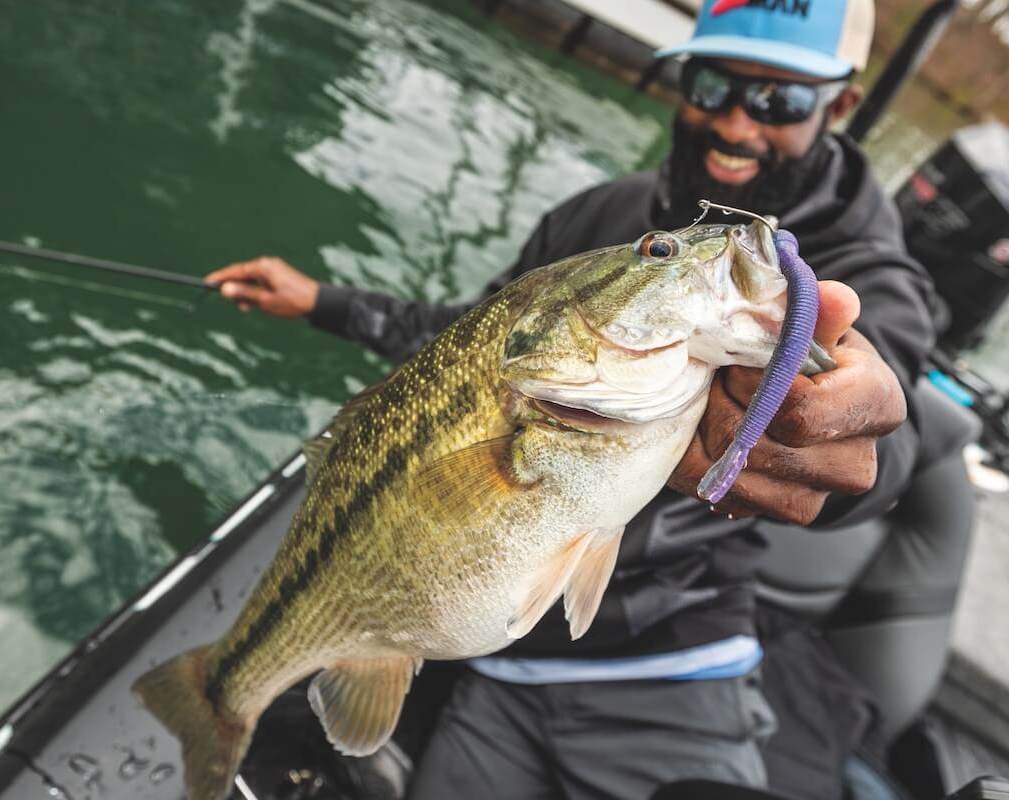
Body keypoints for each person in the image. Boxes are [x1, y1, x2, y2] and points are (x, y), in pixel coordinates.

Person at [207, 0, 936, 797]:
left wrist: (850, 441)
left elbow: (890, 442)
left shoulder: (870, 273)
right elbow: (471, 346)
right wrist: (322, 301)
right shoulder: (599, 215)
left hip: (671, 651)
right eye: (711, 82)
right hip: (496, 634)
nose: (734, 122)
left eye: (780, 100)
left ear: (840, 105)